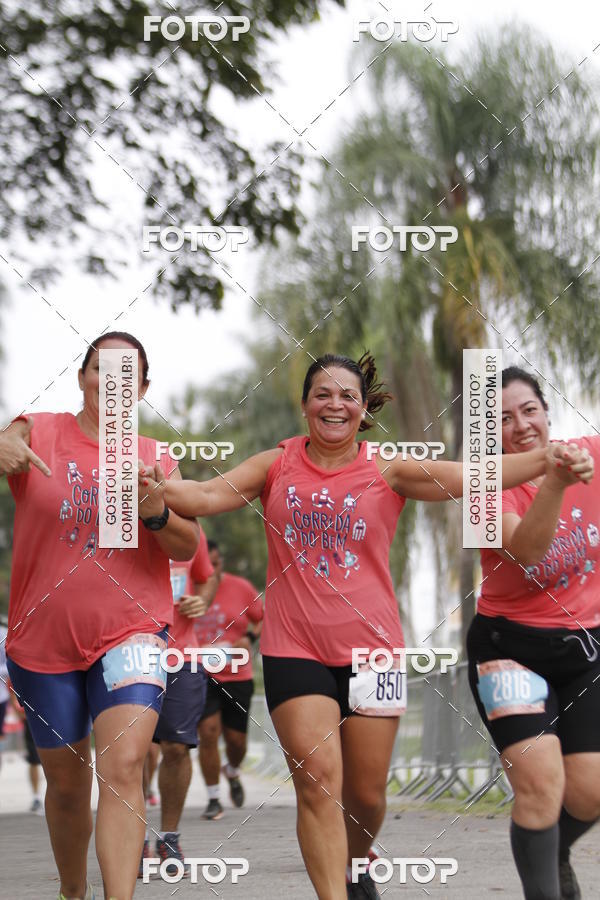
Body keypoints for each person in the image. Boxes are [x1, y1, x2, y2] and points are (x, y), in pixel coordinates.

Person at [142, 352, 592, 900]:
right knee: (316, 783)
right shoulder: (276, 464)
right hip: (295, 647)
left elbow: (471, 476)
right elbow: (207, 496)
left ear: (363, 408)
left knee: (368, 793)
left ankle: (358, 864)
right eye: (322, 394)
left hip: (373, 652)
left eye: (347, 395)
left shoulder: (389, 469)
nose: (335, 404)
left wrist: (548, 461)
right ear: (305, 405)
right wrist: (157, 487)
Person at [0, 331, 199, 900]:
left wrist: (157, 512)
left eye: (125, 376)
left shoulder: (156, 458)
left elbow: (186, 547)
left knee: (124, 766)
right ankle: (72, 890)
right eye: (100, 371)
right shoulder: (38, 430)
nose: (111, 385)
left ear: (141, 388)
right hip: (42, 642)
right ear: (82, 376)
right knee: (65, 785)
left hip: (130, 631)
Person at [467, 366, 600, 900]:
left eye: (528, 410)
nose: (520, 425)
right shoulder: (478, 490)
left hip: (585, 648)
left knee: (589, 794)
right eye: (501, 419)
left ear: (548, 412)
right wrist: (555, 481)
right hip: (508, 650)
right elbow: (526, 553)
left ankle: (553, 849)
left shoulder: (589, 453)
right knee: (541, 787)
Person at [139, 530, 216, 876]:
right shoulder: (118, 522)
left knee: (176, 748)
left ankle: (169, 837)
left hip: (182, 655)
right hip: (129, 651)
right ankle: (132, 837)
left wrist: (202, 600)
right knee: (133, 750)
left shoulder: (189, 530)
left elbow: (206, 577)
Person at [196, 540, 263, 820]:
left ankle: (232, 771)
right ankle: (213, 798)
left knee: (237, 742)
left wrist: (248, 638)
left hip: (237, 674)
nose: (212, 570)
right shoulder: (187, 589)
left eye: (216, 563)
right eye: (206, 565)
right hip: (200, 673)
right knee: (208, 732)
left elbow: (262, 618)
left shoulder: (240, 587)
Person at [8, 679, 45, 814]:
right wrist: (22, 714)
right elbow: (12, 694)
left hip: (51, 717)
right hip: (31, 719)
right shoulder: (16, 669)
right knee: (34, 759)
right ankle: (36, 797)